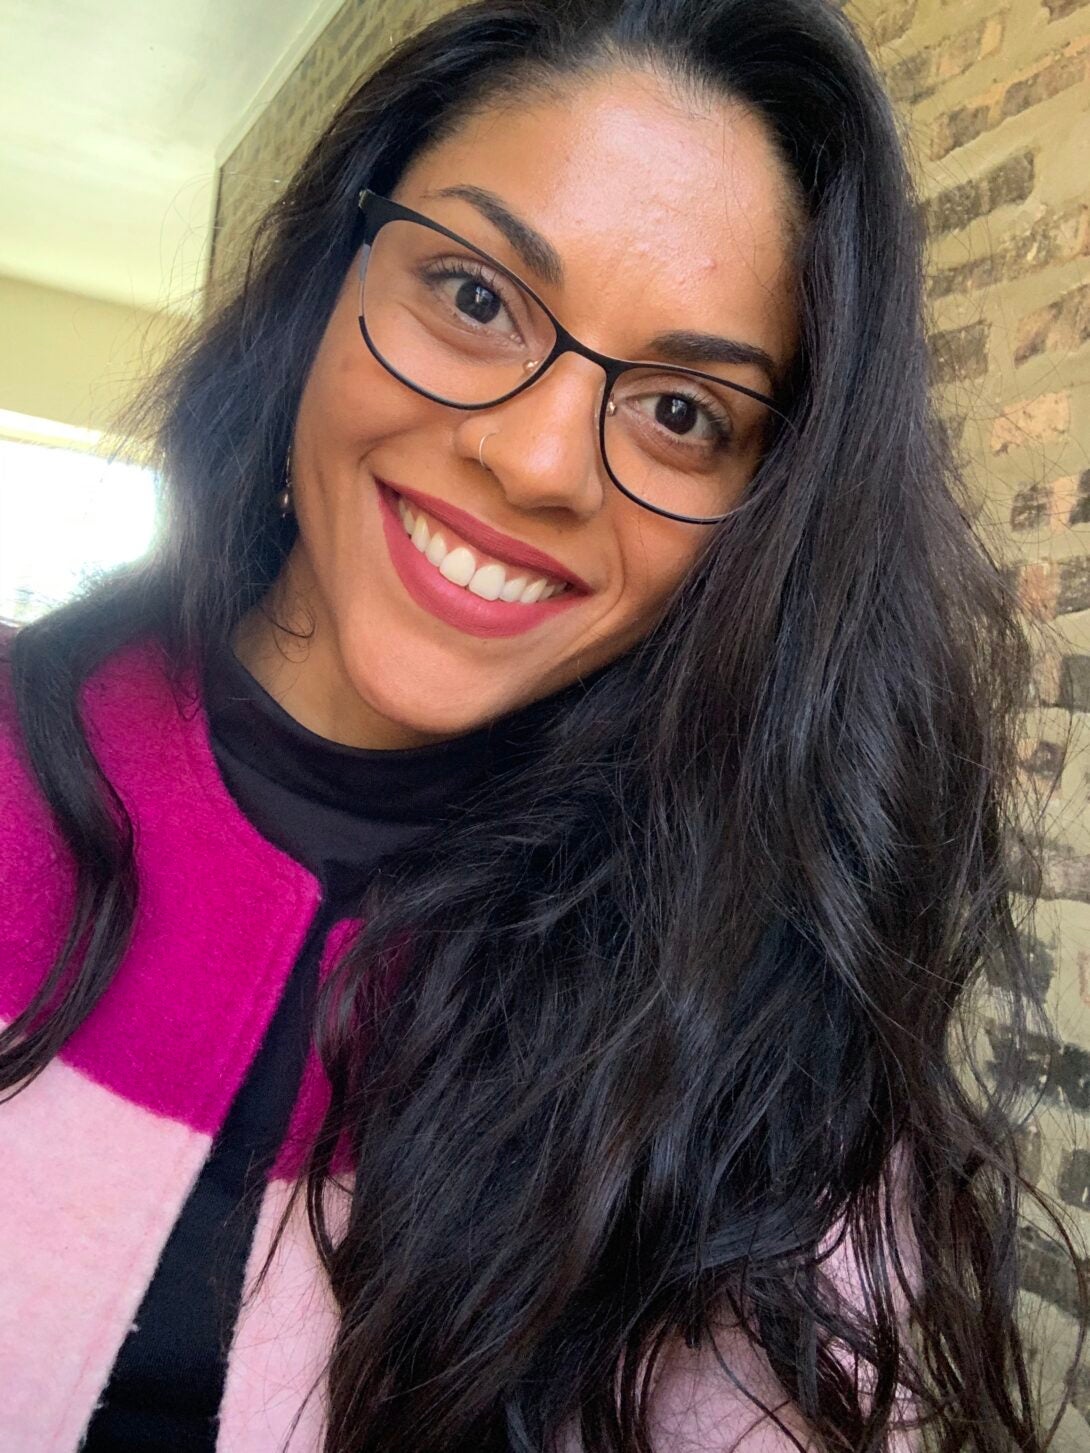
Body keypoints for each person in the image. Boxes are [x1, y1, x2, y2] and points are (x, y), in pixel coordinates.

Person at [0, 0, 1084, 1449]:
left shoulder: (762, 1039)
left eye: (683, 413)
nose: (533, 457)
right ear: (328, 276)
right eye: (471, 294)